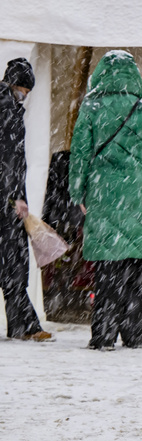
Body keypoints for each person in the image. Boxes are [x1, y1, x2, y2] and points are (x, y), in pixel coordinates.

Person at [69, 51, 142, 350]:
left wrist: (78, 192)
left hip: (103, 194)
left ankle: (103, 334)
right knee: (134, 269)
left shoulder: (91, 108)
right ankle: (134, 333)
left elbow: (79, 154)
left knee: (107, 269)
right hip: (138, 195)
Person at [0, 58, 52, 342]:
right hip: (5, 201)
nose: (26, 96)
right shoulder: (8, 109)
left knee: (10, 265)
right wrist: (15, 197)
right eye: (25, 89)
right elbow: (10, 160)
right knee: (13, 264)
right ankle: (25, 326)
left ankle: (24, 325)